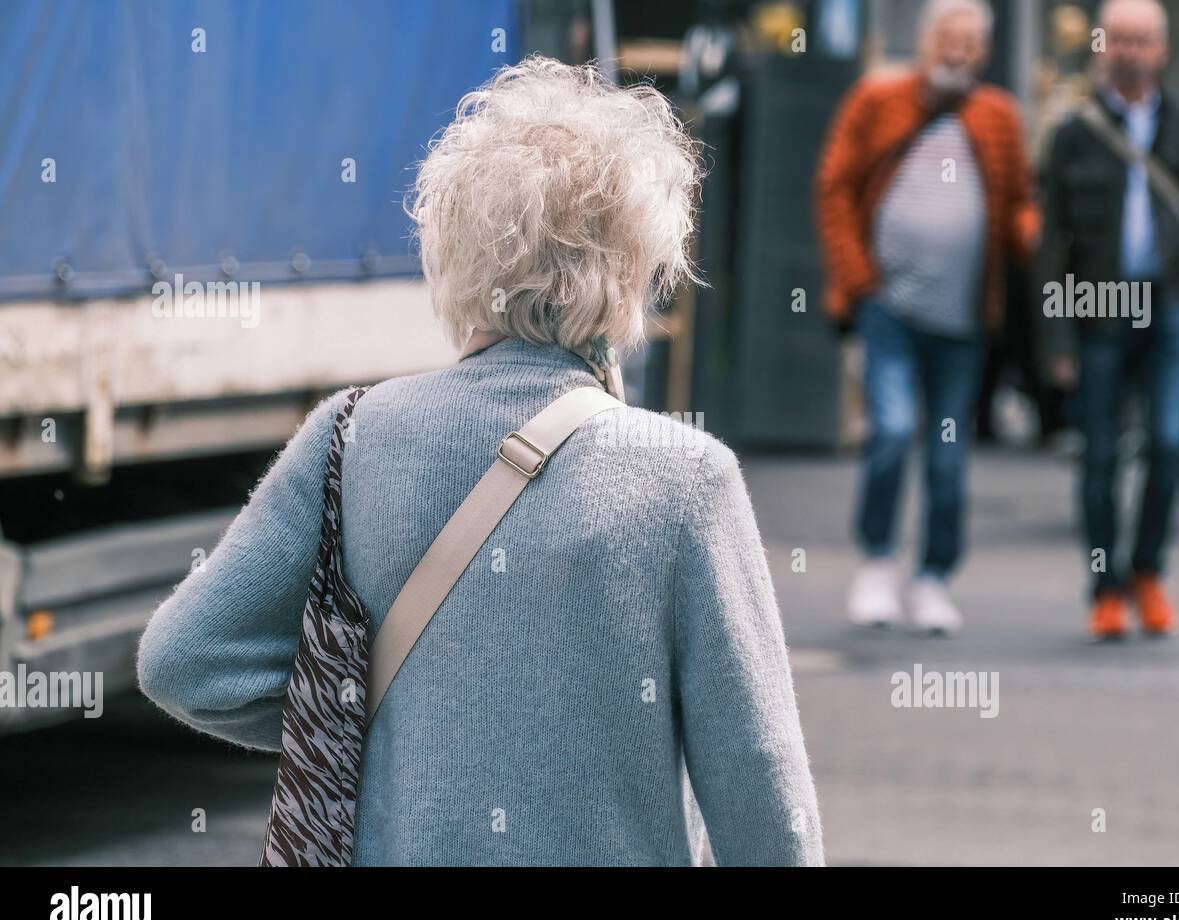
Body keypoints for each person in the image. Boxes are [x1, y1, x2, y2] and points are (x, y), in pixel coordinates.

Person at [135, 56, 825, 867]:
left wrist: (364, 728)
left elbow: (182, 661)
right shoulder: (685, 480)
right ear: (634, 273)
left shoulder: (350, 437)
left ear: (450, 253)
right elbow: (761, 793)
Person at [815, 0, 1038, 634]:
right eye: (947, 38)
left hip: (963, 321)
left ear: (985, 52)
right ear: (922, 41)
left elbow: (1020, 204)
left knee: (947, 454)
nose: (957, 51)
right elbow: (834, 186)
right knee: (888, 430)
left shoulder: (999, 117)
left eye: (969, 42)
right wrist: (857, 278)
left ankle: (934, 576)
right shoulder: (876, 101)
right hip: (888, 307)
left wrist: (1042, 243)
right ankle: (878, 560)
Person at [1038, 0, 1179, 637]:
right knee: (1100, 457)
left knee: (1171, 446)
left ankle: (1148, 572)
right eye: (1119, 39)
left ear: (1162, 50)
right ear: (1100, 47)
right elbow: (1049, 245)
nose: (1130, 51)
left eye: (1142, 40)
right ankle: (1105, 587)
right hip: (1100, 311)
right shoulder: (1074, 134)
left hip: (1169, 307)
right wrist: (1057, 334)